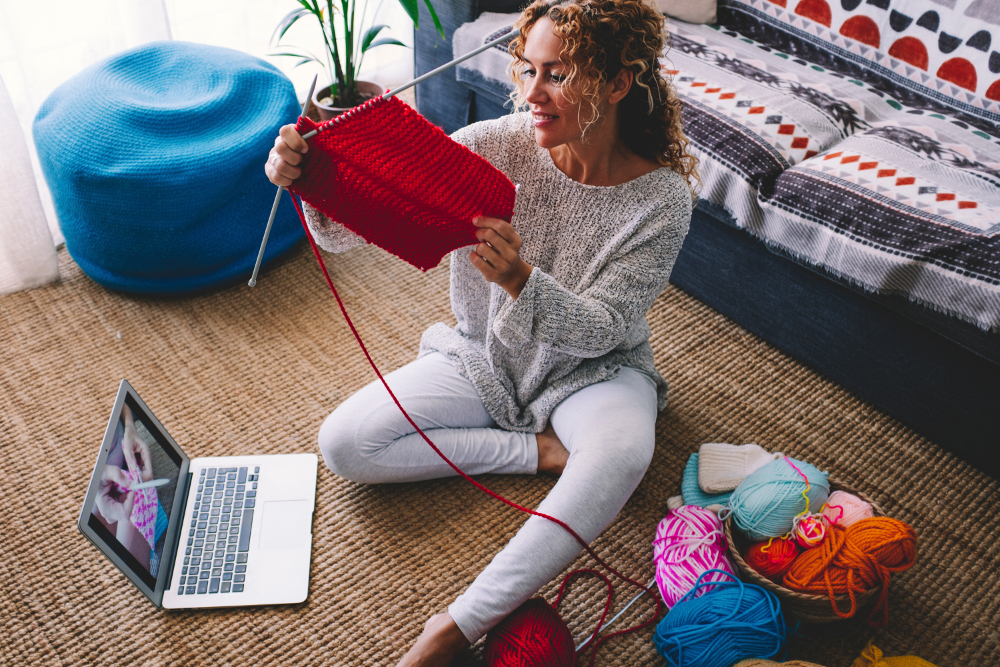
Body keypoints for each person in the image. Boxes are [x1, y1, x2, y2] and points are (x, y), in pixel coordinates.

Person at [265, 0, 698, 664]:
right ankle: (540, 453)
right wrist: (312, 180)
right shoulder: (496, 144)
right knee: (345, 443)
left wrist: (523, 280)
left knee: (620, 456)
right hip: (486, 355)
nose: (532, 93)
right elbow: (359, 223)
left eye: (558, 74)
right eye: (527, 69)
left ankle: (453, 625)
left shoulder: (661, 198)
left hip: (596, 373)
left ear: (617, 83)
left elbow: (606, 327)